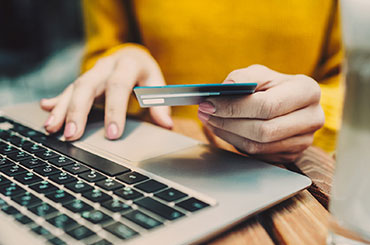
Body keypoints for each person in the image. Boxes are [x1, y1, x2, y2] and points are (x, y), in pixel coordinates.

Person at [41, 0, 343, 163]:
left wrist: (309, 116)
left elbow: (353, 87)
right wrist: (123, 59)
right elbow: (101, 55)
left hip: (292, 168)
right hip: (147, 156)